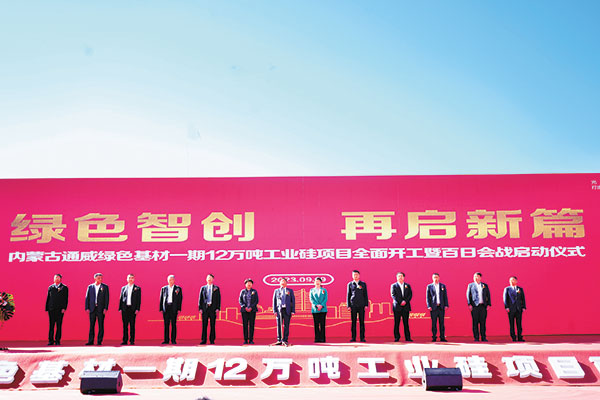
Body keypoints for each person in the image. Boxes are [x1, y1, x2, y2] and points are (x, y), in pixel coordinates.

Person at [85, 273, 109, 345]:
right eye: (98, 278)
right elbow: (87, 297)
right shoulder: (90, 287)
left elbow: (107, 298)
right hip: (92, 308)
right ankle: (91, 341)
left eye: (101, 278)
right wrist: (87, 307)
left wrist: (105, 308)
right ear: (95, 278)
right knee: (91, 325)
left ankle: (99, 341)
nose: (100, 279)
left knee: (101, 325)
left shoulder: (105, 287)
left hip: (100, 309)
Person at [466, 272, 491, 342]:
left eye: (477, 276)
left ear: (480, 277)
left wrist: (488, 304)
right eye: (474, 276)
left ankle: (483, 337)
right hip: (475, 306)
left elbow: (488, 295)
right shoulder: (471, 285)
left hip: (483, 306)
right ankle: (476, 337)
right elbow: (468, 295)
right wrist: (469, 304)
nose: (476, 278)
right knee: (475, 322)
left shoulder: (484, 285)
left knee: (483, 322)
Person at [45, 273, 68, 346]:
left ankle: (57, 340)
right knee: (51, 325)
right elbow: (48, 298)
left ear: (60, 279)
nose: (56, 279)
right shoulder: (51, 287)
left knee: (59, 325)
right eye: (55, 277)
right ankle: (50, 340)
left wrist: (64, 308)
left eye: (58, 277)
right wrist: (47, 308)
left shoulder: (64, 287)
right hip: (51, 309)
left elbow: (65, 299)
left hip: (60, 309)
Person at [119, 273, 141, 345]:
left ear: (134, 279)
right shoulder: (123, 288)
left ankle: (132, 340)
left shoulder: (137, 288)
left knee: (132, 325)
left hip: (132, 309)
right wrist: (120, 308)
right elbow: (121, 298)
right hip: (125, 308)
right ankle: (125, 340)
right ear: (127, 279)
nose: (130, 279)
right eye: (129, 278)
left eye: (132, 278)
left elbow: (138, 300)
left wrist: (137, 309)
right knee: (125, 325)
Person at [346, 270, 369, 342]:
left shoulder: (363, 284)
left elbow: (365, 295)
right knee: (353, 322)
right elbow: (348, 295)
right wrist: (348, 305)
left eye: (356, 274)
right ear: (352, 276)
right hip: (353, 305)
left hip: (361, 305)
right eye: (354, 275)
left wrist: (366, 304)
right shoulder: (350, 284)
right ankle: (353, 337)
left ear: (359, 275)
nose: (355, 276)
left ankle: (362, 337)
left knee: (362, 322)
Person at [159, 275, 182, 344]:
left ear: (174, 280)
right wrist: (161, 308)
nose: (171, 281)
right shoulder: (164, 288)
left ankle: (173, 340)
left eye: (172, 279)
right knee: (166, 324)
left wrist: (179, 308)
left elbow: (180, 299)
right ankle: (166, 340)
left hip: (173, 308)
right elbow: (161, 298)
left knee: (173, 324)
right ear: (167, 280)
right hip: (166, 308)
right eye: (169, 280)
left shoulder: (178, 288)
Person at [199, 273, 221, 345]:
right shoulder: (203, 288)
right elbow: (200, 299)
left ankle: (212, 340)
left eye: (211, 278)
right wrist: (200, 308)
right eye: (208, 278)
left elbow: (218, 299)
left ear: (213, 279)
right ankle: (203, 340)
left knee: (212, 325)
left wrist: (218, 308)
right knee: (204, 325)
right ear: (206, 279)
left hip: (213, 308)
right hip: (205, 309)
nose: (209, 279)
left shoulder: (216, 288)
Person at [426, 273, 449, 342]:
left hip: (441, 307)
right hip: (433, 307)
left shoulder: (442, 286)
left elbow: (445, 296)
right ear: (432, 278)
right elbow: (428, 297)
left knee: (442, 323)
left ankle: (442, 337)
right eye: (434, 277)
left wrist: (446, 305)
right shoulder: (429, 286)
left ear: (439, 278)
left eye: (437, 277)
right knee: (434, 323)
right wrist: (429, 306)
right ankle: (434, 337)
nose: (435, 279)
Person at [272, 277, 295, 346]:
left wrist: (293, 310)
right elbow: (274, 301)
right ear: (280, 283)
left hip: (287, 310)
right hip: (279, 310)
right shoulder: (276, 291)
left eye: (284, 281)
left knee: (286, 325)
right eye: (281, 281)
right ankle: (279, 339)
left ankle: (285, 339)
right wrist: (274, 310)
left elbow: (293, 301)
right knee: (279, 325)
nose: (283, 282)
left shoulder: (290, 291)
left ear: (286, 283)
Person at [390, 272, 412, 342]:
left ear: (404, 277)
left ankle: (408, 337)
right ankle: (397, 337)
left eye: (401, 276)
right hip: (397, 306)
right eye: (399, 276)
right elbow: (393, 295)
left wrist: (405, 301)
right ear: (396, 278)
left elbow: (410, 295)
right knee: (397, 323)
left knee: (406, 323)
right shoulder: (394, 285)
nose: (400, 277)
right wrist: (400, 302)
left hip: (406, 306)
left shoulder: (407, 285)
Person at [503, 276, 526, 342]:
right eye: (510, 280)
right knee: (512, 323)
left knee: (519, 323)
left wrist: (523, 307)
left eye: (513, 280)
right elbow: (505, 299)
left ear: (516, 281)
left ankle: (520, 337)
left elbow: (523, 298)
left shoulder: (520, 289)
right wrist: (506, 307)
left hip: (518, 308)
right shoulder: (507, 289)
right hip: (511, 309)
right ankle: (513, 337)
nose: (511, 281)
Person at [238, 278, 259, 344]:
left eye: (250, 283)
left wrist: (251, 307)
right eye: (247, 283)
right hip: (244, 311)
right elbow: (240, 300)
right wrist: (245, 307)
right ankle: (245, 340)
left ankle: (251, 340)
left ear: (252, 284)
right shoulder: (242, 291)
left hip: (252, 310)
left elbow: (256, 301)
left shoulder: (254, 291)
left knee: (251, 325)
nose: (249, 284)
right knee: (245, 325)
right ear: (245, 284)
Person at [310, 277, 328, 343]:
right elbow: (311, 299)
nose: (317, 282)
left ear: (321, 282)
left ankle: (322, 338)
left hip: (323, 309)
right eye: (316, 281)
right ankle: (317, 338)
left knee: (322, 324)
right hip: (315, 309)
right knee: (316, 324)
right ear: (314, 282)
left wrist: (321, 305)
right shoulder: (312, 290)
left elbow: (325, 298)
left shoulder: (324, 290)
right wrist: (317, 305)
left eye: (318, 281)